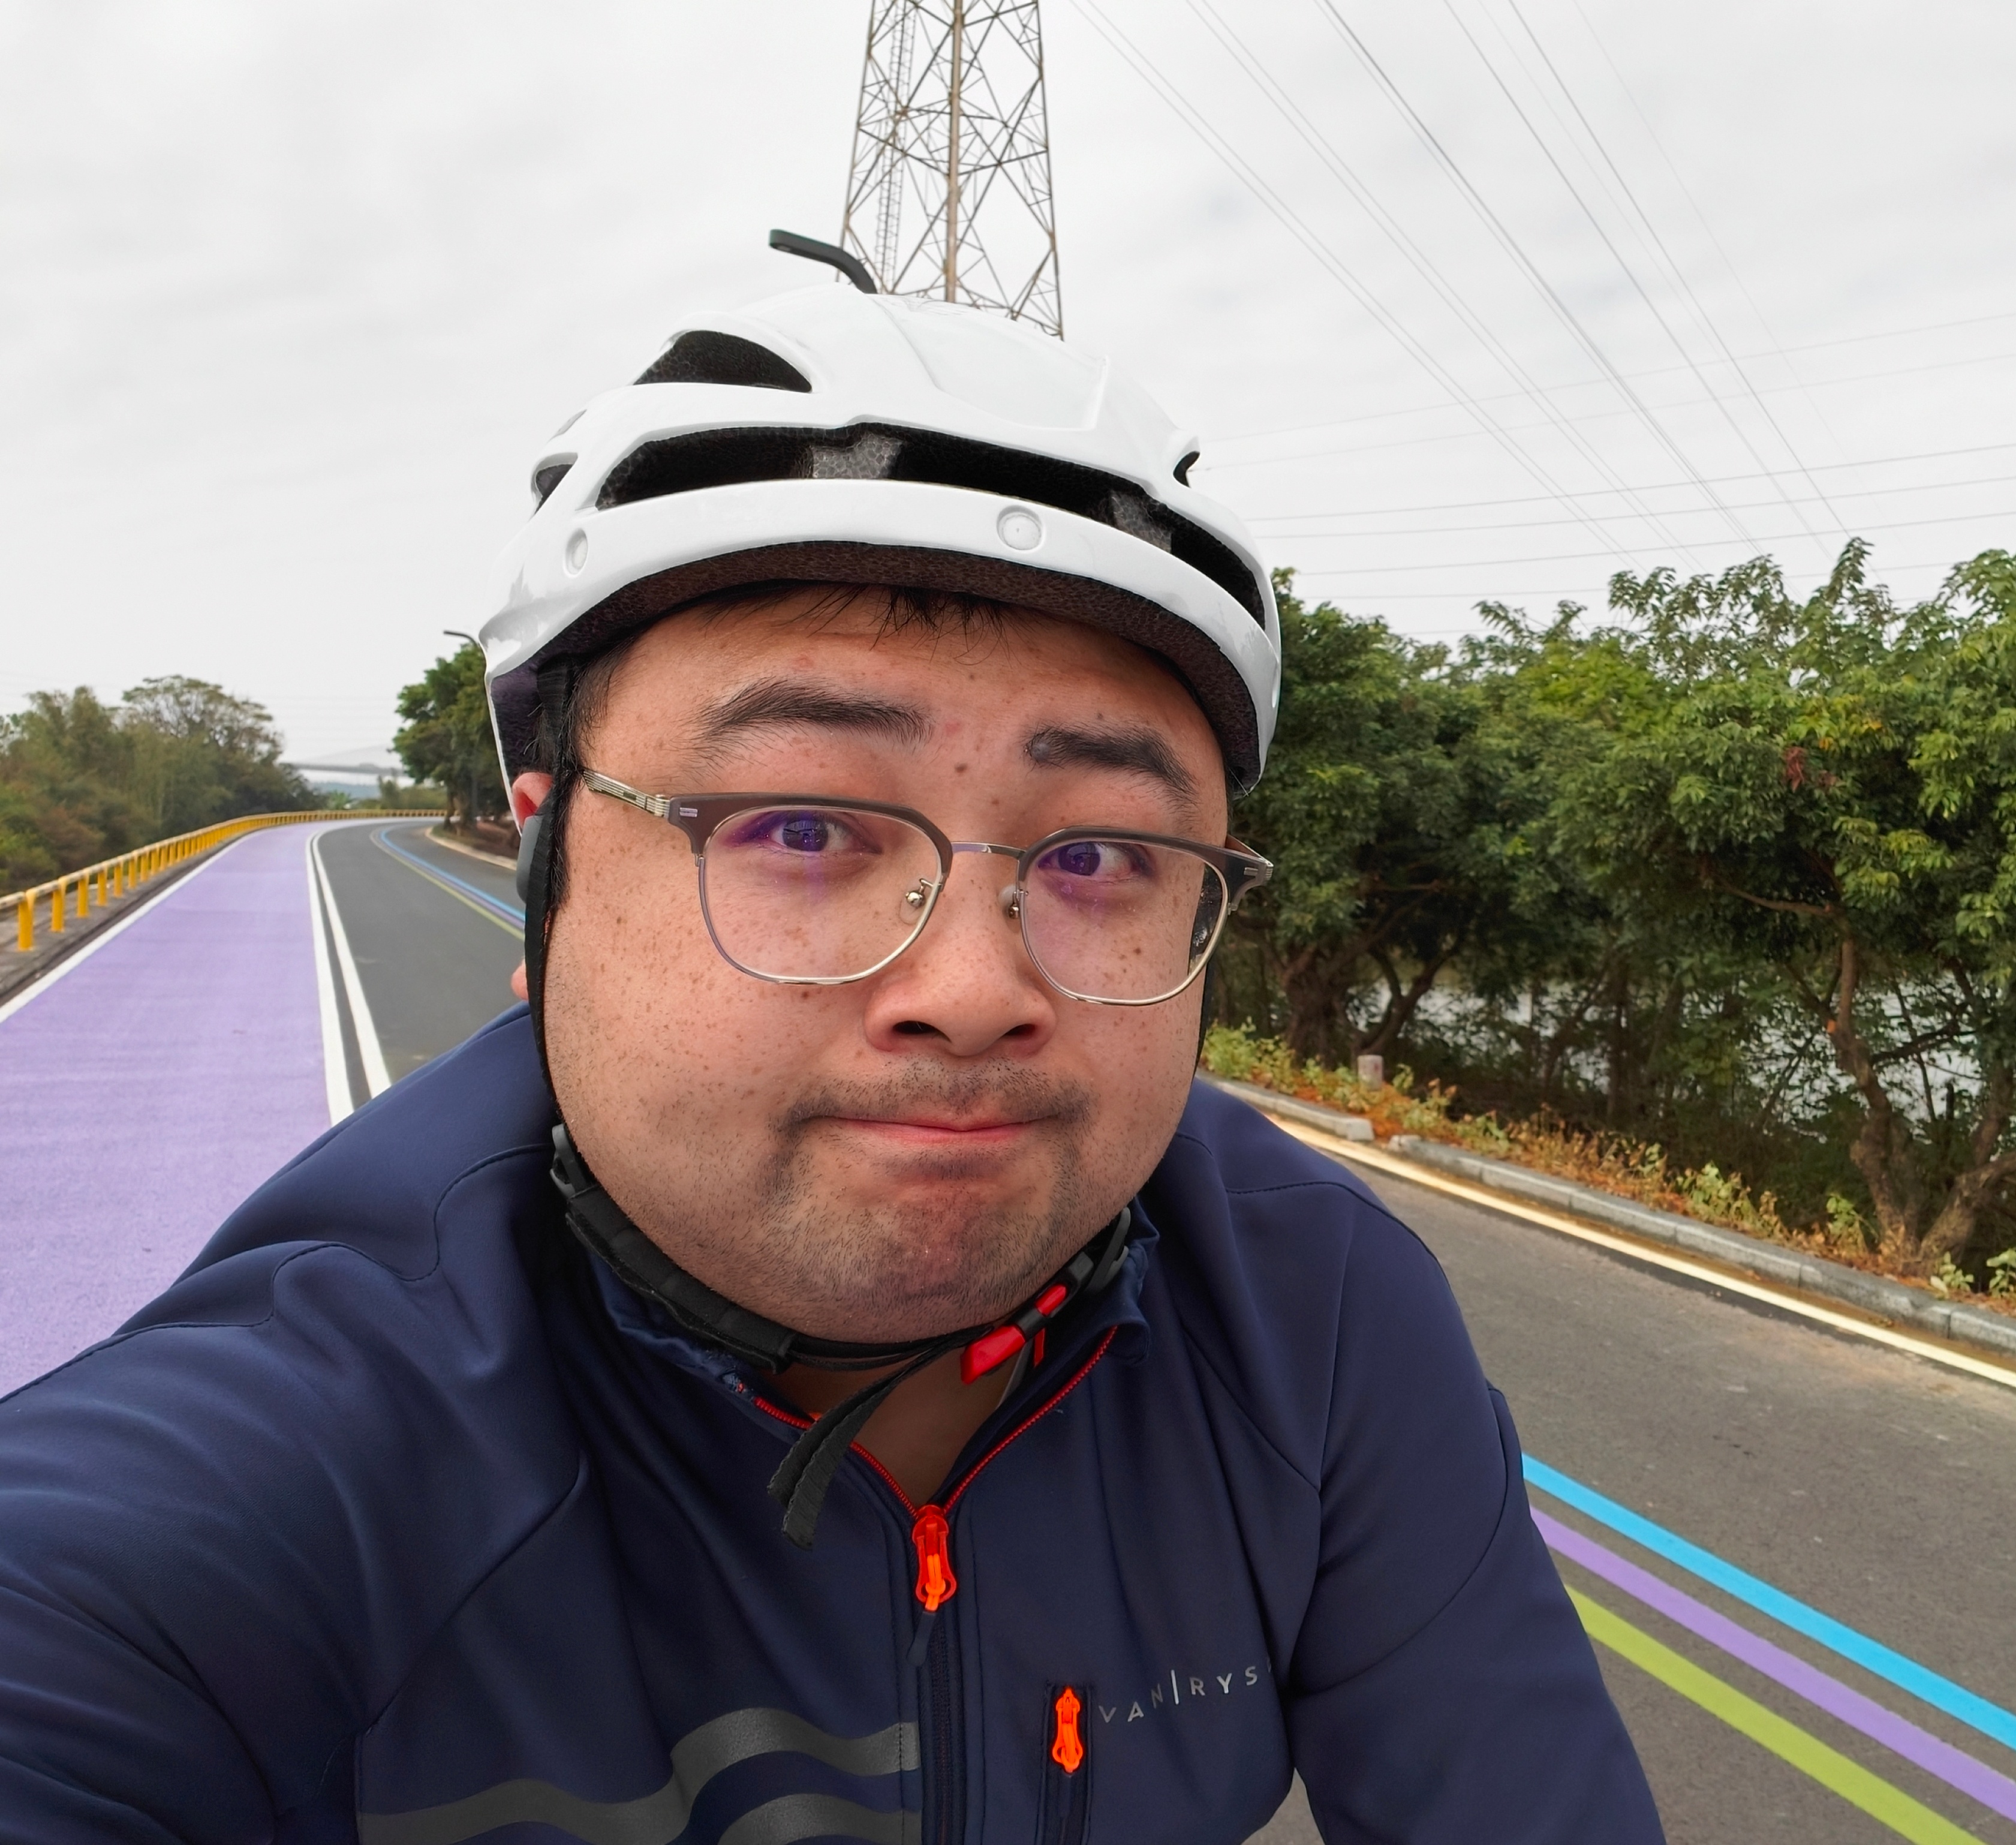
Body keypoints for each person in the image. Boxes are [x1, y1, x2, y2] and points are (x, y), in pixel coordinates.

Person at [0, 271, 1662, 1843]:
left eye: (1099, 856)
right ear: (547, 867)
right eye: (799, 825)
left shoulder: (1315, 1320)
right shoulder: (245, 1499)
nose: (975, 990)